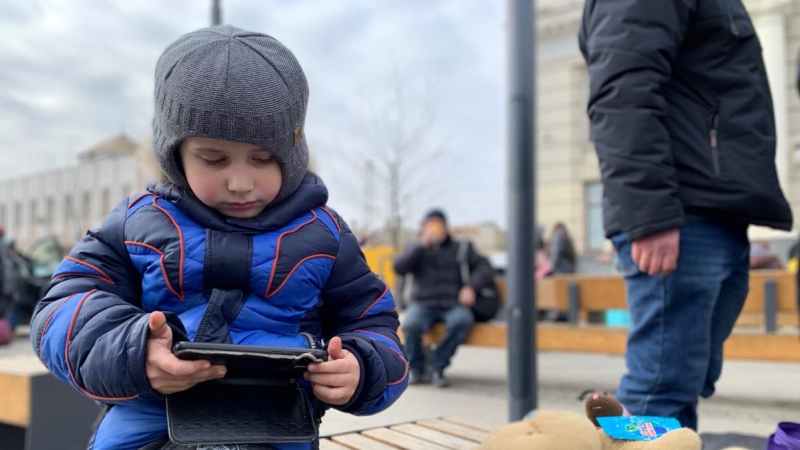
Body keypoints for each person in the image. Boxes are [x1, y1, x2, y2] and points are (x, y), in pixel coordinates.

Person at [30, 25, 408, 450]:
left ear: (293, 152)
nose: (241, 182)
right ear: (173, 154)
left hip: (275, 426)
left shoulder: (325, 234)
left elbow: (375, 324)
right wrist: (132, 352)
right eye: (214, 159)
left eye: (264, 158)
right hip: (152, 420)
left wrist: (361, 368)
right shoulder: (135, 222)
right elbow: (60, 309)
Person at [580, 1, 792, 431]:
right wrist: (651, 214)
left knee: (684, 380)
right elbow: (624, 89)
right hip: (679, 213)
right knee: (661, 389)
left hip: (714, 211)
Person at [393, 209, 494, 388]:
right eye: (430, 225)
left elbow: (485, 267)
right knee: (411, 325)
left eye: (438, 226)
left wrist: (471, 287)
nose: (435, 230)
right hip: (423, 302)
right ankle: (416, 368)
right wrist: (420, 246)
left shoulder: (462, 248)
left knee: (462, 320)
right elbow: (399, 268)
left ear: (446, 228)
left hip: (453, 302)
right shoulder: (415, 247)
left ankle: (436, 366)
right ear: (423, 228)